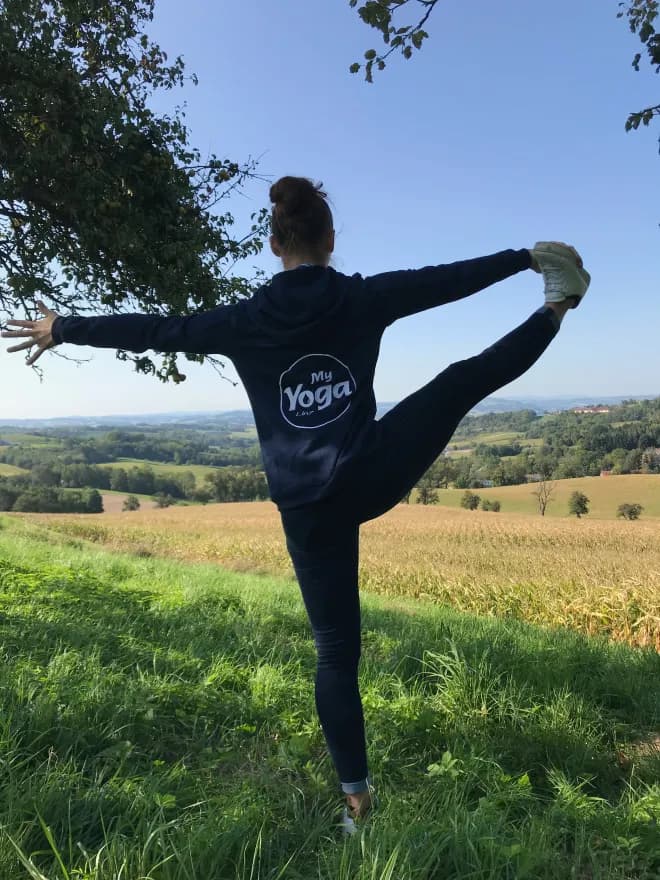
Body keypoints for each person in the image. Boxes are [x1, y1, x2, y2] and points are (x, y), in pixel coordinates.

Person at [1, 175, 590, 834]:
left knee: (335, 654)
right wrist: (522, 259)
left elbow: (157, 330)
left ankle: (357, 803)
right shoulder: (362, 297)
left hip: (308, 510)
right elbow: (444, 281)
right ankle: (557, 303)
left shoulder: (243, 320)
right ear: (330, 240)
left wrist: (64, 327)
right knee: (460, 381)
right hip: (371, 472)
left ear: (274, 244)